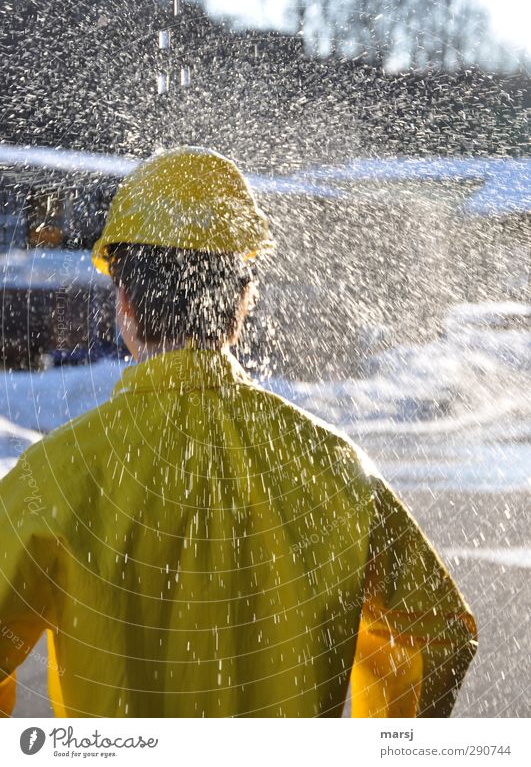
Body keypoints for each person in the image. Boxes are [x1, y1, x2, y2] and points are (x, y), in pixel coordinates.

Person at [0, 147, 477, 718]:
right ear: (244, 302)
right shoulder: (334, 468)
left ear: (123, 301)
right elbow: (436, 635)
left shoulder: (55, 476)